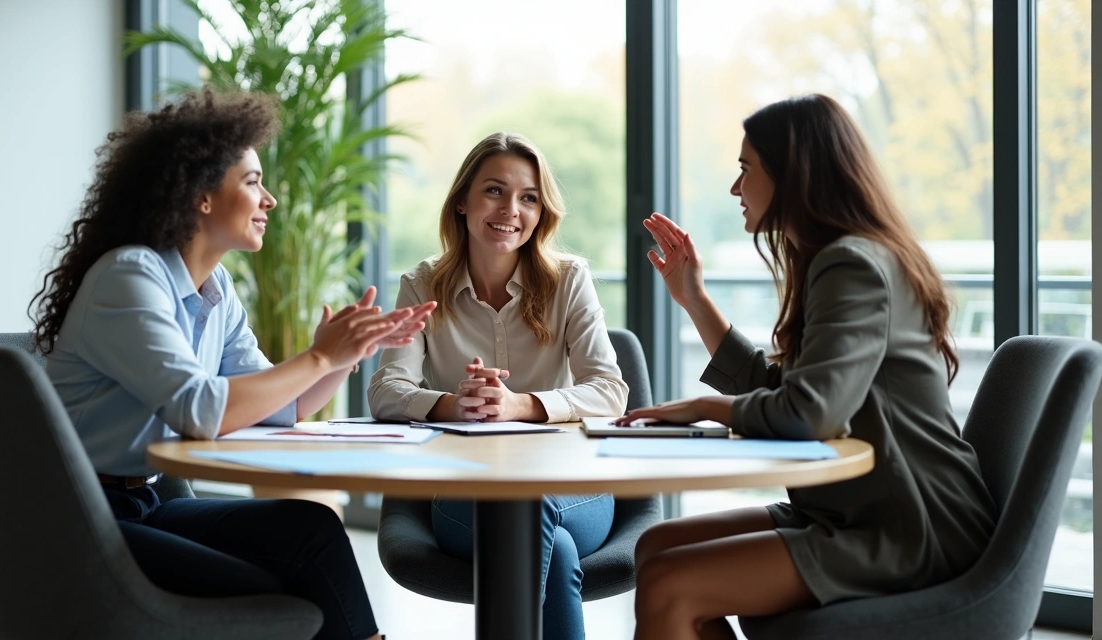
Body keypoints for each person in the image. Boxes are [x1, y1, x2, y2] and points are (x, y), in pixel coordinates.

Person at [30, 87, 433, 640]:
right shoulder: (129, 276)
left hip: (142, 502)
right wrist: (317, 354)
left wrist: (345, 356)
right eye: (252, 182)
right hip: (76, 518)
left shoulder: (215, 287)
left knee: (310, 528)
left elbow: (280, 409)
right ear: (200, 195)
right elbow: (202, 411)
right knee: (273, 586)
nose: (269, 199)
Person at [621, 94, 998, 640]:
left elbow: (810, 413)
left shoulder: (853, 265)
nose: (735, 188)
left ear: (792, 174)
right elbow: (792, 391)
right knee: (657, 546)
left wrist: (710, 405)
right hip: (855, 507)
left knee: (669, 583)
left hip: (910, 525)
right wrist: (694, 300)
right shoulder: (839, 258)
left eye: (746, 169)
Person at [367, 132, 629, 639]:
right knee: (551, 545)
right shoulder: (422, 283)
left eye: (529, 197)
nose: (512, 209)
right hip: (465, 495)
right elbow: (386, 389)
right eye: (494, 191)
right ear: (462, 201)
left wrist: (521, 405)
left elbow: (610, 390)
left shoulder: (569, 279)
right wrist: (453, 404)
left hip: (573, 488)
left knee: (535, 515)